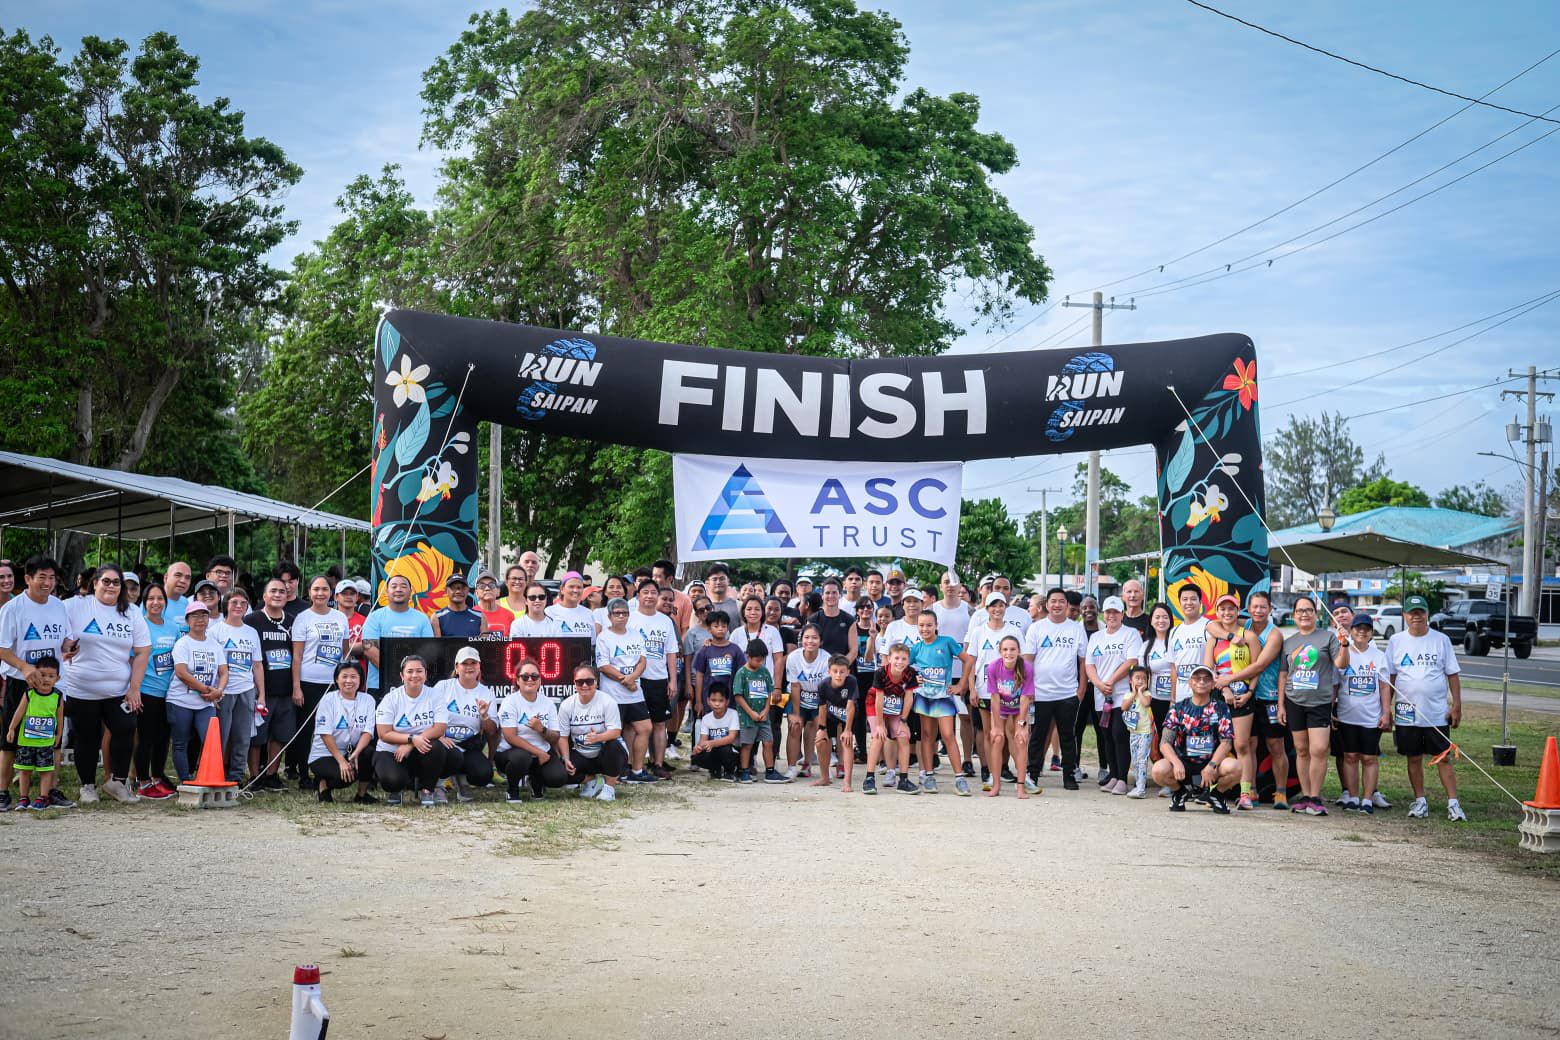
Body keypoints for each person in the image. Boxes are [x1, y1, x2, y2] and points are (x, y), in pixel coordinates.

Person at [61, 564, 150, 804]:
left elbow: (142, 651)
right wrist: (63, 647)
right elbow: (57, 633)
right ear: (95, 583)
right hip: (81, 687)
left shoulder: (131, 611)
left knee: (126, 728)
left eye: (116, 582)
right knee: (86, 737)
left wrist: (134, 688)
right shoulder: (75, 605)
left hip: (118, 689)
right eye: (106, 581)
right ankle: (87, 787)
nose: (111, 586)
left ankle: (117, 783)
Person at [0, 555, 71, 811]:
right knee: (11, 740)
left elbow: (64, 640)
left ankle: (49, 791)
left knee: (51, 738)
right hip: (21, 683)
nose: (47, 583)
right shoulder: (13, 608)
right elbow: (2, 649)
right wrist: (24, 666)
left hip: (50, 686)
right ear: (28, 579)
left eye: (52, 578)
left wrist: (69, 647)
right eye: (42, 577)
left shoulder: (59, 606)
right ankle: (3, 792)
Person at [1387, 595, 1465, 821]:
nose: (1416, 616)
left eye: (1420, 612)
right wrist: (1387, 708)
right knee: (1413, 758)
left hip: (1436, 712)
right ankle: (1420, 801)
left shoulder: (1441, 640)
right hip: (1406, 712)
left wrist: (1456, 705)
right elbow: (1390, 677)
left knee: (1443, 758)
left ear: (1427, 614)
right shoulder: (1396, 641)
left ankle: (1453, 803)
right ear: (1404, 616)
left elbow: (1452, 673)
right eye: (1412, 612)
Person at [1277, 595, 1352, 817]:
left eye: (1309, 610)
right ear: (1294, 616)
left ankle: (1316, 797)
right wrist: (1281, 705)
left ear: (1316, 614)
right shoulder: (1288, 642)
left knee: (1318, 749)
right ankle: (1306, 795)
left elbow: (1341, 663)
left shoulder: (1328, 637)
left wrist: (1345, 644)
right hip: (1294, 701)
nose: (1304, 614)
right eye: (1300, 611)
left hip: (1319, 702)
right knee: (1301, 750)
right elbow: (1283, 674)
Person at [1022, 588, 1089, 792]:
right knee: (1038, 736)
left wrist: (1081, 690)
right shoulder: (1037, 628)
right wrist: (1028, 689)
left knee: (1068, 736)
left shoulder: (1076, 629)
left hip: (1067, 693)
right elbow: (1028, 661)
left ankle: (1069, 775)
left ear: (1067, 605)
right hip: (1041, 693)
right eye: (1053, 601)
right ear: (1047, 605)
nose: (1057, 605)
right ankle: (1032, 774)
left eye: (1061, 601)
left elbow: (1083, 662)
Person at [289, 576, 350, 786]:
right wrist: (297, 687)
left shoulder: (340, 618)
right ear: (309, 592)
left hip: (335, 684)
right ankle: (304, 774)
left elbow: (345, 652)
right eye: (316, 589)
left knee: (331, 729)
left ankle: (327, 773)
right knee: (307, 730)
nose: (320, 593)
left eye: (325, 589)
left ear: (331, 592)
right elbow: (296, 657)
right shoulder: (303, 618)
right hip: (309, 681)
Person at [1153, 664, 1239, 813]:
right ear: (1190, 683)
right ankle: (1180, 792)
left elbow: (1226, 742)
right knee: (1158, 770)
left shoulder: (1220, 708)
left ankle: (1216, 795)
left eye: (1206, 679)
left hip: (1210, 765)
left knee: (1236, 767)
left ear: (1212, 684)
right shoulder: (1178, 708)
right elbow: (1165, 742)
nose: (1201, 682)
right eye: (1197, 678)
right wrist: (1176, 762)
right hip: (1183, 764)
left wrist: (1212, 765)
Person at [373, 654, 450, 808]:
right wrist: (410, 739)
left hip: (418, 748)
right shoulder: (391, 699)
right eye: (410, 671)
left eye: (419, 671)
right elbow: (383, 733)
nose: (414, 675)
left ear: (426, 674)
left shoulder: (435, 695)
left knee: (438, 748)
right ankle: (398, 788)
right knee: (393, 781)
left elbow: (440, 728)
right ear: (402, 676)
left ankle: (427, 790)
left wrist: (412, 742)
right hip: (391, 751)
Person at [1335, 612, 1392, 815]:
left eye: (1366, 629)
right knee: (1349, 756)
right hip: (1347, 714)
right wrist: (1332, 708)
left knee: (1369, 758)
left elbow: (1385, 687)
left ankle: (1367, 799)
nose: (1362, 631)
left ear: (1371, 633)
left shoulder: (1379, 656)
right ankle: (1352, 796)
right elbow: (1336, 682)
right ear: (1351, 631)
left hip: (1371, 716)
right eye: (1358, 628)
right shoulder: (1343, 652)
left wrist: (1386, 713)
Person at [1085, 596, 1143, 795]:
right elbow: (1089, 664)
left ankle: (1122, 778)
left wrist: (1110, 680)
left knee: (1119, 733)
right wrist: (1100, 684)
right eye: (1108, 612)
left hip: (1122, 694)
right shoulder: (1096, 637)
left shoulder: (1130, 634)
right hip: (1102, 694)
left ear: (1122, 614)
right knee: (1106, 735)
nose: (1111, 616)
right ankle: (1113, 774)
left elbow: (1132, 660)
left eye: (1115, 612)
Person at [909, 611, 969, 795]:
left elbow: (968, 660)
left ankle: (959, 778)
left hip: (944, 697)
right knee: (927, 735)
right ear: (917, 627)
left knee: (948, 735)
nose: (925, 629)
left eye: (929, 625)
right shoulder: (916, 648)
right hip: (924, 697)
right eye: (921, 625)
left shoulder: (947, 642)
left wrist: (961, 684)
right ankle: (928, 776)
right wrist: (913, 681)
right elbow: (905, 668)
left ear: (936, 626)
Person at [166, 600, 225, 785]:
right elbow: (181, 672)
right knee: (180, 742)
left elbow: (224, 671)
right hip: (180, 701)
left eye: (204, 615)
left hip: (205, 703)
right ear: (187, 620)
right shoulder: (183, 643)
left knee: (210, 741)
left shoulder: (214, 645)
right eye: (195, 616)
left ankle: (206, 777)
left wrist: (220, 690)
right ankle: (185, 781)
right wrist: (208, 690)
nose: (200, 619)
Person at [596, 597, 654, 783]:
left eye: (624, 613)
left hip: (635, 692)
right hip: (613, 694)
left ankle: (636, 770)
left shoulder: (636, 634)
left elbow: (643, 661)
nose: (621, 616)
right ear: (610, 616)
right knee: (613, 734)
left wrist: (632, 679)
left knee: (645, 728)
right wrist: (625, 680)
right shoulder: (604, 637)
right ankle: (613, 773)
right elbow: (603, 665)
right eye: (617, 613)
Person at [961, 592, 1015, 788]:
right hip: (984, 689)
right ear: (987, 609)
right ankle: (988, 770)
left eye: (1001, 605)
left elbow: (1021, 660)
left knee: (1007, 731)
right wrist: (972, 688)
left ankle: (1003, 768)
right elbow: (971, 662)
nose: (997, 609)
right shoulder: (978, 632)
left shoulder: (1013, 631)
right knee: (986, 731)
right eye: (993, 606)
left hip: (1007, 691)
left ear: (1006, 607)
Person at [248, 579, 297, 791]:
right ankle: (254, 776)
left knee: (280, 735)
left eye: (282, 592)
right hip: (261, 690)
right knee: (257, 737)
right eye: (273, 591)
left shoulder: (293, 621)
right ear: (264, 596)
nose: (278, 595)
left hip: (285, 689)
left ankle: (271, 774)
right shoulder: (251, 620)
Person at [131, 584, 180, 800]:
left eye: (160, 598)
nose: (156, 602)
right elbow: (132, 659)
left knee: (163, 739)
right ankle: (142, 782)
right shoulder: (140, 625)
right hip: (146, 690)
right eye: (151, 598)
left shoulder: (172, 627)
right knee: (146, 739)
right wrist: (133, 690)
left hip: (167, 693)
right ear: (144, 602)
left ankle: (158, 779)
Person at [629, 579, 680, 780]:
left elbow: (671, 653)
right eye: (645, 592)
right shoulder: (630, 619)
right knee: (633, 725)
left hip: (658, 678)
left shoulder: (665, 621)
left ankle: (657, 763)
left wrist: (673, 680)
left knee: (660, 724)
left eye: (653, 592)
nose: (649, 596)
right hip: (635, 679)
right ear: (638, 595)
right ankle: (632, 764)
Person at [1244, 590, 1291, 808]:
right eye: (1254, 606)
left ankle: (1280, 793)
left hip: (1269, 697)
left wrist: (1229, 679)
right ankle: (1251, 790)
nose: (1258, 611)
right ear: (1248, 608)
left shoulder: (1275, 634)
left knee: (1276, 746)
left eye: (1263, 607)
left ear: (1270, 609)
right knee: (1249, 745)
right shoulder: (1243, 628)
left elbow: (1260, 665)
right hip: (1247, 696)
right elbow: (1213, 625)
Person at [213, 588, 265, 784]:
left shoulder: (251, 632)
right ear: (226, 605)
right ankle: (216, 774)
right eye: (234, 602)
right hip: (223, 691)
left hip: (246, 689)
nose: (238, 606)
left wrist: (261, 695)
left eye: (243, 603)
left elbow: (257, 665)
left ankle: (236, 777)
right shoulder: (215, 631)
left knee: (243, 738)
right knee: (221, 737)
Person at [495, 662, 567, 801]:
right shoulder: (510, 702)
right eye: (525, 677)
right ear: (517, 680)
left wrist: (542, 729)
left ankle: (535, 782)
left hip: (541, 753)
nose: (530, 680)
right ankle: (512, 789)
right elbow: (510, 737)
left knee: (558, 778)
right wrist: (539, 752)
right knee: (522, 757)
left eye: (534, 676)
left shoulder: (548, 703)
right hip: (511, 753)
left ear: (540, 680)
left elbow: (555, 737)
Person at [431, 646, 496, 801]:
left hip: (468, 745)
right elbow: (427, 716)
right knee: (452, 756)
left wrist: (485, 716)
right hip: (443, 742)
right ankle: (437, 785)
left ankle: (462, 780)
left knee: (483, 774)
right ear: (456, 667)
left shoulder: (486, 693)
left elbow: (492, 730)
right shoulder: (443, 687)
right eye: (464, 663)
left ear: (479, 666)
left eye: (473, 663)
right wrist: (438, 737)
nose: (469, 667)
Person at [308, 662, 376, 804]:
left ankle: (361, 795)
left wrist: (357, 753)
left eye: (353, 677)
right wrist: (342, 761)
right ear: (337, 679)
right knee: (343, 778)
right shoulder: (328, 699)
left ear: (360, 680)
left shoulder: (368, 700)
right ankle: (323, 784)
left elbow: (367, 732)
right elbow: (325, 734)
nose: (349, 681)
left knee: (369, 752)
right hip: (325, 754)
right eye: (344, 676)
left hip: (351, 751)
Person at [558, 664, 626, 801]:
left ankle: (609, 788)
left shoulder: (607, 701)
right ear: (574, 683)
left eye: (589, 681)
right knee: (558, 774)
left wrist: (598, 737)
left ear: (596, 682)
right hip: (581, 753)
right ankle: (591, 781)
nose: (584, 685)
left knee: (613, 745)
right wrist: (565, 759)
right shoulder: (566, 705)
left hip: (604, 754)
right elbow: (563, 737)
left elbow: (616, 731)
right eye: (580, 682)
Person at [360, 573, 435, 697]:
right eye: (394, 586)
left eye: (403, 586)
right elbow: (369, 648)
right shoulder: (375, 617)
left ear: (411, 592)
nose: (398, 589)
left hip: (415, 685)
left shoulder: (422, 619)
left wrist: (409, 675)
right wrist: (399, 674)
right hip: (379, 684)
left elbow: (428, 650)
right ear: (386, 592)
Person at [6, 654, 64, 811]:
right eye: (42, 675)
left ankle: (43, 798)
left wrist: (59, 736)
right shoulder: (29, 694)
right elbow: (18, 712)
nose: (46, 679)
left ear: (57, 678)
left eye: (51, 676)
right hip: (26, 741)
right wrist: (11, 728)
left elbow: (60, 718)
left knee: (46, 772)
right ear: (35, 675)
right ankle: (23, 798)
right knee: (24, 771)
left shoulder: (58, 696)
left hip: (45, 742)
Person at [984, 635, 1033, 799]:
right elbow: (995, 698)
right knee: (997, 739)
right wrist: (997, 725)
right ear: (1000, 651)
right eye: (1005, 649)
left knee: (1021, 740)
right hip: (1002, 708)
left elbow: (1026, 699)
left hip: (1020, 708)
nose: (1009, 653)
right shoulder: (993, 667)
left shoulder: (1026, 667)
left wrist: (1021, 725)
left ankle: (1020, 786)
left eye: (1012, 649)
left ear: (1019, 651)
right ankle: (996, 784)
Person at [866, 643, 918, 793]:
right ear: (889, 658)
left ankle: (903, 779)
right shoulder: (880, 673)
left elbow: (909, 698)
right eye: (896, 658)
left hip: (896, 709)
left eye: (904, 659)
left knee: (903, 736)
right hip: (876, 705)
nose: (899, 662)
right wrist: (880, 724)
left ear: (908, 660)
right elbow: (879, 699)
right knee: (878, 736)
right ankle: (869, 779)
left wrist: (903, 721)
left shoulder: (910, 673)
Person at [733, 638, 782, 784]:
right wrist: (750, 712)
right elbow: (738, 695)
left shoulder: (765, 672)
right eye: (757, 660)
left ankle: (770, 771)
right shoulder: (742, 673)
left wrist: (766, 710)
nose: (760, 663)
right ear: (748, 656)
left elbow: (769, 693)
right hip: (748, 717)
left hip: (763, 716)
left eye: (762, 660)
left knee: (768, 742)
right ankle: (744, 771)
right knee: (747, 744)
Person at [785, 624, 829, 779]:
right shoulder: (793, 658)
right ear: (801, 640)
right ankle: (791, 767)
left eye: (815, 638)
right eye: (807, 637)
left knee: (818, 726)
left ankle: (809, 764)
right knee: (795, 726)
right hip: (799, 694)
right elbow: (795, 686)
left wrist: (821, 716)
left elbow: (825, 689)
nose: (810, 641)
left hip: (818, 696)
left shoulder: (826, 658)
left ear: (821, 641)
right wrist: (796, 714)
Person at [812, 654, 859, 792]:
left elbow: (851, 706)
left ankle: (847, 782)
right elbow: (821, 708)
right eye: (835, 671)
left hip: (848, 715)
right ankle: (825, 777)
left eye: (842, 671)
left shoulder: (851, 682)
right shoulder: (823, 685)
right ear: (829, 672)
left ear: (848, 672)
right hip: (831, 715)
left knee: (847, 742)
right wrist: (822, 729)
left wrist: (848, 730)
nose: (838, 675)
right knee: (820, 741)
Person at [691, 609, 741, 716]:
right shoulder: (704, 650)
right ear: (709, 629)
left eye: (723, 626)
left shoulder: (735, 650)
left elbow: (742, 674)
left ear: (728, 628)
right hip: (709, 701)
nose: (720, 629)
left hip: (731, 701)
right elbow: (699, 676)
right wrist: (698, 701)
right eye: (716, 626)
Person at [692, 683, 741, 781]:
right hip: (714, 749)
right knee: (697, 757)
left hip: (731, 750)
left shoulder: (733, 714)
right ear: (708, 701)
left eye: (721, 701)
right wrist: (699, 747)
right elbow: (703, 740)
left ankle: (729, 771)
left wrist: (711, 743)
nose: (717, 704)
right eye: (713, 700)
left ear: (727, 702)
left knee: (725, 750)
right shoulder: (706, 718)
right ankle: (715, 769)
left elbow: (731, 738)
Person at [1120, 665, 1156, 798]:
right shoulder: (1128, 695)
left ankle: (1141, 789)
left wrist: (1140, 692)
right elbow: (1123, 707)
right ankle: (1138, 785)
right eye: (1137, 678)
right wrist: (1134, 694)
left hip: (1145, 732)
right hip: (1133, 732)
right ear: (1130, 680)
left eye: (1144, 679)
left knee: (1142, 759)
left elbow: (1146, 703)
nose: (1140, 681)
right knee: (1135, 760)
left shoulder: (1147, 694)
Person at [546, 572, 598, 641]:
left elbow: (592, 642)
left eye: (579, 587)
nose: (575, 590)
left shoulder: (588, 613)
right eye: (571, 587)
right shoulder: (549, 612)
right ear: (562, 589)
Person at [433, 573, 482, 638]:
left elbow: (484, 646)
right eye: (454, 587)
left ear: (468, 590)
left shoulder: (480, 617)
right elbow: (436, 646)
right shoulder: (437, 617)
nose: (458, 591)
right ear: (446, 591)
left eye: (463, 587)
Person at [473, 570, 514, 637]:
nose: (487, 588)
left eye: (491, 585)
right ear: (476, 593)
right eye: (482, 586)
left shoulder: (509, 616)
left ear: (498, 591)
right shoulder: (471, 615)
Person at [333, 579, 367, 644]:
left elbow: (366, 646)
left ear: (357, 597)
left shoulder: (364, 621)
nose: (348, 596)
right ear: (336, 597)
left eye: (352, 593)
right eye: (344, 593)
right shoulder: (328, 620)